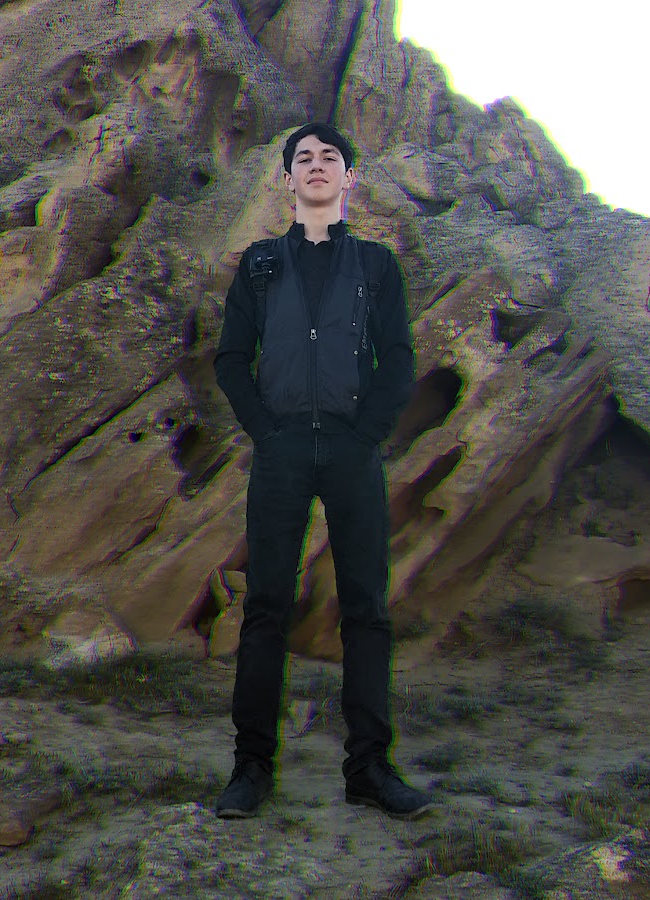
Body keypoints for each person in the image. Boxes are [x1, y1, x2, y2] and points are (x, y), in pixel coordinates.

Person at [213, 122, 433, 820]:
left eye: (329, 157)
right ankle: (251, 768)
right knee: (266, 607)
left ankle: (369, 767)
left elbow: (399, 358)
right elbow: (230, 358)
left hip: (351, 449)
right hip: (280, 451)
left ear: (348, 178)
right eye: (302, 158)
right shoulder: (259, 264)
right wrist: (265, 430)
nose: (316, 165)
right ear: (287, 180)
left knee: (366, 608)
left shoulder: (375, 265)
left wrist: (367, 433)